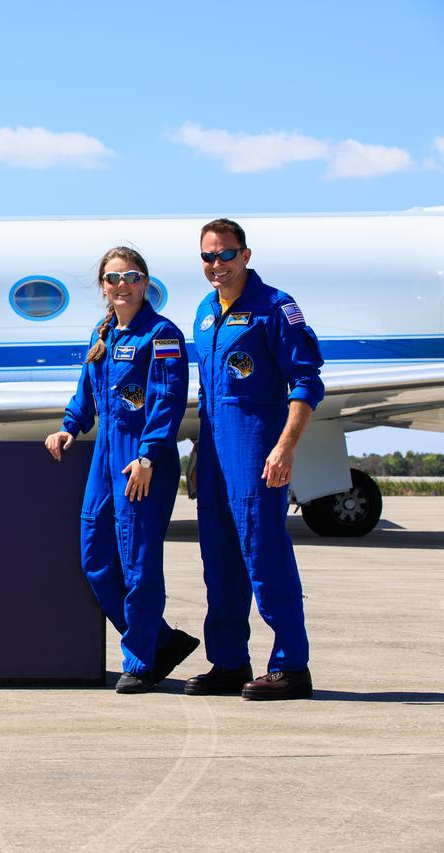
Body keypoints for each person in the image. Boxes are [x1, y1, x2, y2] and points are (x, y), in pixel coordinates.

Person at [45, 247, 199, 693]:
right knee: (95, 558)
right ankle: (160, 641)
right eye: (113, 278)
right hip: (105, 456)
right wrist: (69, 428)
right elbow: (86, 393)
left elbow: (168, 400)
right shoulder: (103, 333)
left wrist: (148, 455)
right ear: (103, 287)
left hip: (143, 459)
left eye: (131, 277)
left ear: (145, 283)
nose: (122, 285)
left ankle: (142, 661)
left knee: (138, 564)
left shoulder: (162, 335)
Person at [185, 219, 324, 701]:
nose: (217, 264)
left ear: (245, 255)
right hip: (215, 451)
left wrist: (285, 446)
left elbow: (307, 381)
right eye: (208, 256)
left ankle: (290, 666)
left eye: (226, 254)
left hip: (257, 448)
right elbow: (208, 392)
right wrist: (199, 450)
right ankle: (228, 662)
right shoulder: (205, 312)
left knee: (265, 554)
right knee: (219, 560)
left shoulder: (275, 307)